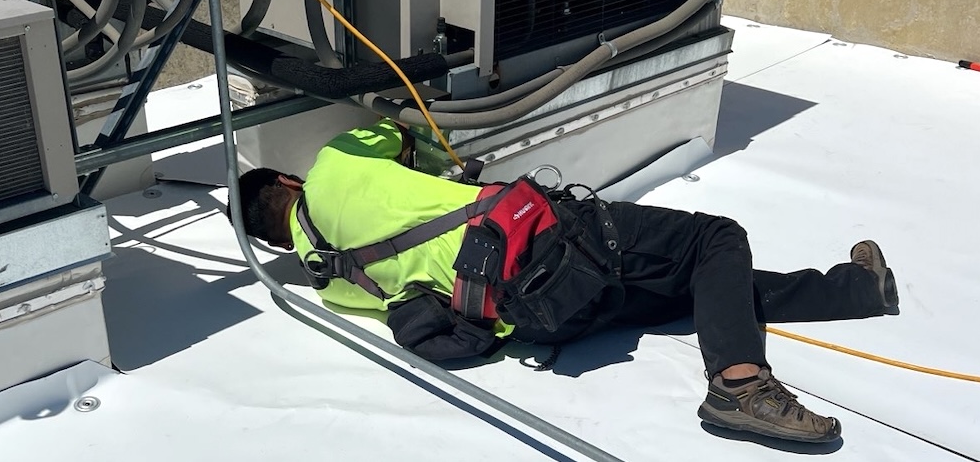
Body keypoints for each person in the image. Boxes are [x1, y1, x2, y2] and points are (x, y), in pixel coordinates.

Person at [235, 119, 899, 444]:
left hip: (536, 316)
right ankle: (738, 385)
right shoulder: (330, 164)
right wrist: (434, 162)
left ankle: (856, 290)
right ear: (287, 181)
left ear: (275, 239)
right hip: (552, 245)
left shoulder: (327, 284)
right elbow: (404, 136)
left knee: (686, 281)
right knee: (713, 240)